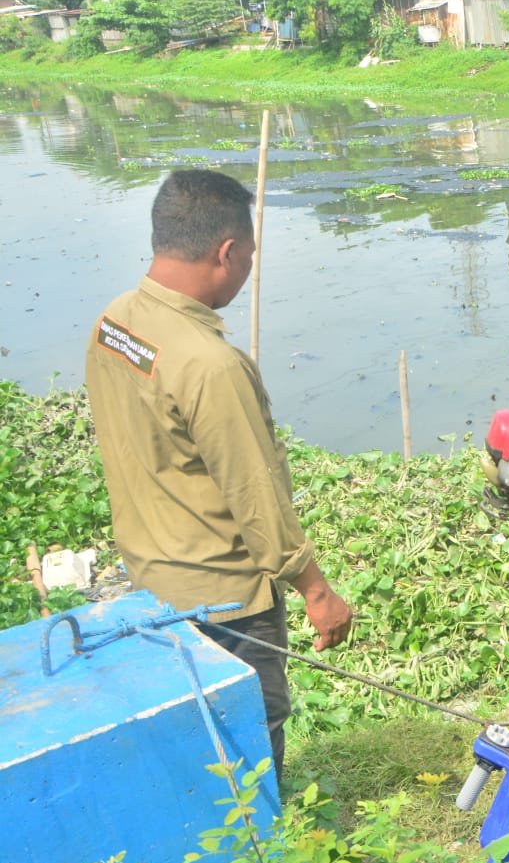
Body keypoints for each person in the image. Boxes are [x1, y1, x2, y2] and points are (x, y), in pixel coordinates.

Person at [85, 169, 353, 785]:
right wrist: (317, 591)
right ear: (227, 252)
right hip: (225, 593)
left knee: (193, 730)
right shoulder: (210, 364)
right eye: (250, 254)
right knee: (252, 728)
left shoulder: (117, 323)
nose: (249, 266)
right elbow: (255, 494)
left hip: (153, 576)